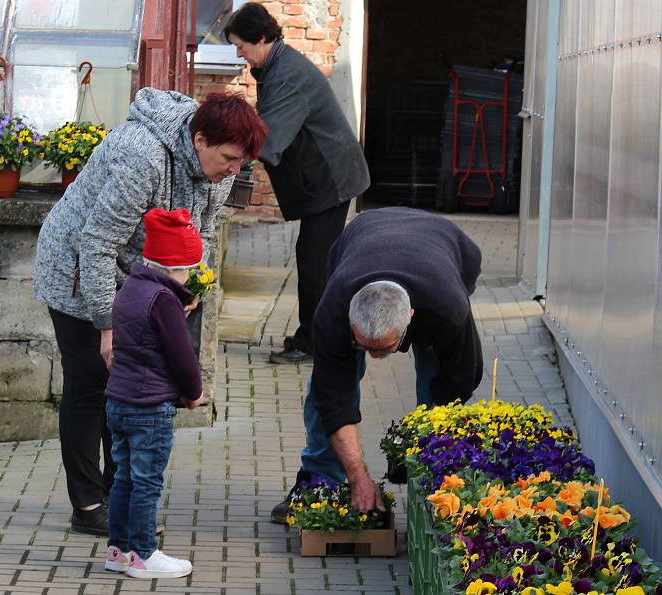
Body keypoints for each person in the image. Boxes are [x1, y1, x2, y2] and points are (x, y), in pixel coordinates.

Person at [33, 89, 267, 536]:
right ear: (200, 139)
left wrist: (194, 285)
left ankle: (116, 495)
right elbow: (97, 243)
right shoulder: (142, 155)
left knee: (125, 386)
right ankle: (87, 506)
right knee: (90, 386)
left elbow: (202, 234)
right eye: (230, 158)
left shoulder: (216, 173)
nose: (235, 171)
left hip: (137, 276)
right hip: (77, 269)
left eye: (242, 162)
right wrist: (106, 325)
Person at [269, 207, 484, 523]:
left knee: (435, 386)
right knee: (327, 388)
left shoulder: (448, 309)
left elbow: (460, 381)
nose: (372, 357)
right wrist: (359, 476)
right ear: (349, 319)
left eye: (382, 348)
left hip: (446, 247)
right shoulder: (333, 309)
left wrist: (420, 443)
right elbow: (333, 399)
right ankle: (319, 481)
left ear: (410, 318)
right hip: (360, 237)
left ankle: (430, 484)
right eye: (362, 345)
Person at [224, 3, 370, 365]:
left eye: (241, 46)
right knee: (317, 258)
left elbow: (268, 137)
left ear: (261, 39)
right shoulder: (278, 65)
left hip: (332, 178)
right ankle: (320, 335)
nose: (240, 54)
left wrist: (226, 162)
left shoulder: (287, 76)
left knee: (315, 259)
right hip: (327, 176)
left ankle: (315, 343)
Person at [103, 208, 203, 579]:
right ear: (177, 265)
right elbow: (182, 355)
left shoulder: (132, 287)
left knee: (124, 478)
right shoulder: (163, 299)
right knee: (147, 481)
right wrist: (194, 393)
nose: (190, 274)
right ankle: (144, 553)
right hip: (150, 407)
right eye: (189, 266)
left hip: (119, 401)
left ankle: (118, 550)